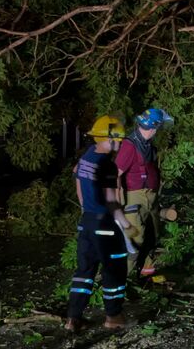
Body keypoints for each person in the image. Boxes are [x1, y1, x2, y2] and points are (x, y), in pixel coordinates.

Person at [66, 115, 133, 333]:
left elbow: (77, 180)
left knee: (84, 271)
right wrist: (126, 225)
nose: (120, 143)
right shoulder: (108, 166)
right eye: (118, 139)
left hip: (87, 222)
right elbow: (112, 202)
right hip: (104, 224)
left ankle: (73, 318)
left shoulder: (86, 157)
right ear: (109, 138)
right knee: (114, 269)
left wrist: (86, 209)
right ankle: (114, 316)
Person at [115, 108, 173, 277]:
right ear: (154, 127)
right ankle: (121, 278)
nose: (157, 131)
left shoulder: (147, 144)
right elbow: (115, 173)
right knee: (135, 239)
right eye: (158, 127)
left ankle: (145, 270)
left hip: (150, 196)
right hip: (135, 197)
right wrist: (116, 200)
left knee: (152, 234)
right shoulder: (129, 145)